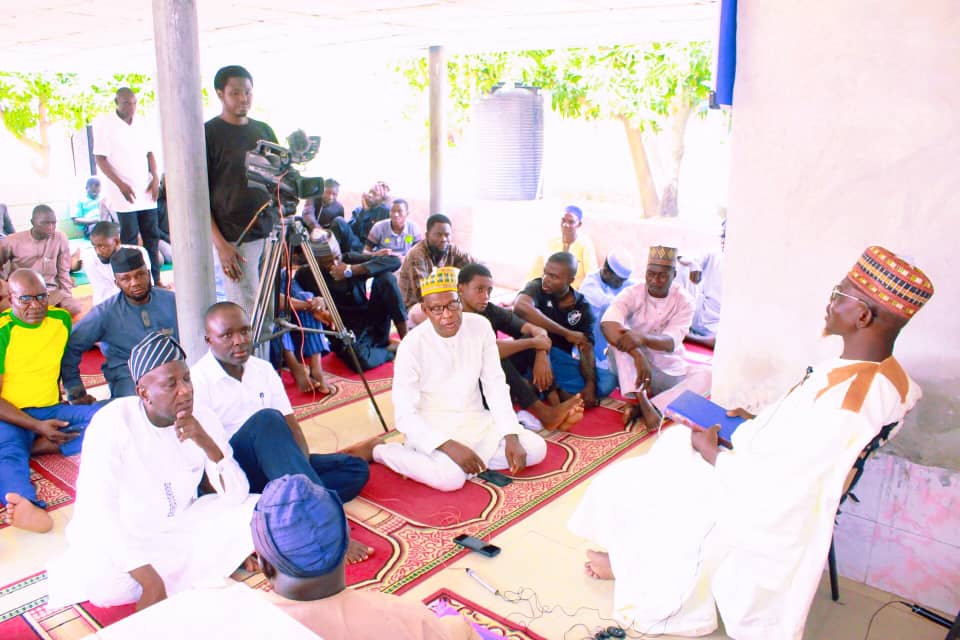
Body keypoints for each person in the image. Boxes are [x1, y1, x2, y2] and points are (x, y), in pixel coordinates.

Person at [568, 246, 933, 639]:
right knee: (675, 442)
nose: (829, 304)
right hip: (764, 463)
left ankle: (635, 569)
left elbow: (787, 487)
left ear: (863, 316)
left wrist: (714, 455)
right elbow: (806, 438)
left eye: (838, 296)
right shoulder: (887, 376)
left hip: (765, 501)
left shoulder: (851, 403)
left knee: (636, 479)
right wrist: (756, 423)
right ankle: (630, 556)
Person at [48, 332, 258, 611]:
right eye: (171, 384)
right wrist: (149, 581)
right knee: (105, 587)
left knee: (254, 508)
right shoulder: (112, 424)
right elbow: (99, 512)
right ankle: (213, 561)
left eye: (186, 379)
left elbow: (236, 496)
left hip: (181, 525)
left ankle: (209, 560)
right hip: (125, 536)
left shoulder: (202, 417)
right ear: (143, 392)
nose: (186, 390)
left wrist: (209, 445)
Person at [191, 302, 373, 563]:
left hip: (278, 465)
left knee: (355, 470)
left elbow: (293, 430)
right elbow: (210, 460)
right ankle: (327, 527)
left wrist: (298, 469)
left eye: (244, 331)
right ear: (209, 340)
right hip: (239, 474)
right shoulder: (198, 381)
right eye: (227, 335)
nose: (240, 341)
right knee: (266, 421)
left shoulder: (262, 369)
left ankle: (280, 507)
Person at [365, 268, 547, 492]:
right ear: (425, 310)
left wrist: (510, 433)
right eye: (436, 309)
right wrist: (447, 445)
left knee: (536, 449)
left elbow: (495, 385)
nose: (447, 315)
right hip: (433, 427)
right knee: (450, 479)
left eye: (452, 305)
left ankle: (464, 462)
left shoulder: (480, 327)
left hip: (476, 420)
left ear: (460, 301)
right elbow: (404, 413)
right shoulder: (411, 346)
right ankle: (381, 451)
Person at [254, 474, 480, 640]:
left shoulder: (238, 618)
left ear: (264, 565)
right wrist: (459, 626)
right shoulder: (400, 615)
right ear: (345, 545)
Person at [0, 269, 100, 533]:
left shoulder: (60, 320)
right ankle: (24, 501)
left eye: (41, 297)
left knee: (109, 417)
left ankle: (38, 446)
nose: (35, 306)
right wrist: (37, 427)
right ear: (11, 299)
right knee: (8, 455)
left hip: (49, 409)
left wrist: (76, 395)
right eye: (25, 299)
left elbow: (65, 364)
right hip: (10, 416)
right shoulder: (2, 331)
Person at [458, 263, 584, 431]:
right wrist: (534, 342)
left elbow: (535, 330)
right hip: (470, 389)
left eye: (489, 290)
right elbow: (488, 351)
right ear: (461, 288)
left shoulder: (489, 310)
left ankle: (555, 405)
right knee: (495, 359)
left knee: (528, 340)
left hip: (494, 381)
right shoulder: (454, 317)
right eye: (479, 289)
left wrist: (539, 352)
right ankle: (544, 413)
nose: (485, 296)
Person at [205, 64, 278, 315]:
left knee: (269, 312)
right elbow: (198, 198)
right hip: (235, 239)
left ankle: (267, 356)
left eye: (247, 92)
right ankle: (247, 356)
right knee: (246, 313)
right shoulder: (208, 134)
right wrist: (221, 245)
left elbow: (279, 176)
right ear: (219, 94)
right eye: (235, 92)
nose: (243, 99)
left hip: (268, 232)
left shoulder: (263, 131)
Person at [62, 248, 178, 400]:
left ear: (148, 274)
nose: (135, 282)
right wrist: (76, 392)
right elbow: (71, 346)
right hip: (128, 377)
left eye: (140, 275)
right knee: (139, 408)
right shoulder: (105, 313)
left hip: (172, 369)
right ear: (117, 283)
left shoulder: (171, 300)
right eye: (126, 279)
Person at [601, 246, 695, 428]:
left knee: (707, 377)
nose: (655, 280)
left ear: (673, 275)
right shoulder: (632, 293)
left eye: (662, 276)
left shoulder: (684, 301)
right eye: (650, 274)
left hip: (667, 367)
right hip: (630, 365)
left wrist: (641, 338)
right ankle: (642, 399)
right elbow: (608, 323)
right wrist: (638, 354)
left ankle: (651, 407)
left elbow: (671, 342)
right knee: (619, 343)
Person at [514, 252, 617, 408]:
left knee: (607, 382)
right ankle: (553, 391)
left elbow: (585, 347)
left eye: (554, 277)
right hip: (533, 354)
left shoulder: (582, 306)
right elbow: (521, 307)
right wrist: (566, 333)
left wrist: (590, 384)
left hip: (559, 361)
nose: (546, 280)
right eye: (545, 273)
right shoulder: (536, 286)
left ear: (570, 280)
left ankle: (539, 388)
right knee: (534, 347)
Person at [294, 233, 407, 372]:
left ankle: (407, 342)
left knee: (386, 279)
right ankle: (391, 351)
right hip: (344, 333)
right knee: (359, 362)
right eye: (327, 262)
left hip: (372, 322)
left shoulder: (349, 260)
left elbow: (394, 261)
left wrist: (351, 270)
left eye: (337, 257)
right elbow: (297, 299)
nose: (335, 264)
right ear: (316, 260)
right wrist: (314, 300)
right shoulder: (306, 274)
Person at [92, 87, 163, 287]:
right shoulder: (105, 124)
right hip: (123, 193)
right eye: (125, 103)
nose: (130, 107)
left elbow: (150, 153)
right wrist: (120, 184)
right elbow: (100, 158)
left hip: (146, 190)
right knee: (130, 238)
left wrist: (156, 177)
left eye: (133, 103)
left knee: (152, 236)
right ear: (116, 102)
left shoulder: (142, 123)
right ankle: (133, 281)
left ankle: (155, 280)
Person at [398, 214, 478, 328]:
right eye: (438, 235)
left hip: (442, 302)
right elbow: (423, 295)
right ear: (427, 235)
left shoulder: (451, 248)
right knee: (456, 320)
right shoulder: (416, 255)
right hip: (415, 307)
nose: (443, 239)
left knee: (478, 311)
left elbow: (477, 267)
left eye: (447, 235)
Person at [0, 205, 81, 315]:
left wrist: (67, 296)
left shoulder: (60, 238)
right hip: (21, 293)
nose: (50, 227)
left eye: (53, 223)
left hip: (49, 291)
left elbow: (63, 272)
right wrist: (4, 286)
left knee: (74, 308)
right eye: (45, 223)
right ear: (33, 222)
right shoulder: (12, 241)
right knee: (4, 310)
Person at [579, 251, 636, 369]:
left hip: (618, 334)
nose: (621, 284)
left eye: (623, 281)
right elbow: (611, 305)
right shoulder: (590, 285)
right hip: (595, 339)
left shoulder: (622, 282)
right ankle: (603, 362)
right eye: (618, 281)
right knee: (610, 310)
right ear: (605, 272)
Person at [81, 221, 151, 306]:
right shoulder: (89, 258)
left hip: (137, 301)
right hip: (106, 306)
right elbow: (104, 292)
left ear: (117, 241)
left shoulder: (138, 253)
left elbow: (147, 284)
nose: (98, 251)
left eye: (102, 246)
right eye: (95, 246)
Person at [528, 205, 598, 290]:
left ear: (579, 224)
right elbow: (537, 271)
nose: (565, 225)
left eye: (571, 222)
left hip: (573, 293)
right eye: (563, 220)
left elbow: (591, 277)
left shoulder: (585, 245)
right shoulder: (552, 241)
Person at [687, 220, 725, 349]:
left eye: (728, 236)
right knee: (677, 271)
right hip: (698, 320)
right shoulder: (714, 256)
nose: (723, 240)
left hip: (718, 330)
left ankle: (689, 337)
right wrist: (694, 266)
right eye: (723, 235)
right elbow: (686, 257)